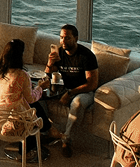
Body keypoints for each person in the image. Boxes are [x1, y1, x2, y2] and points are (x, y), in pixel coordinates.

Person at [42, 25, 100, 157]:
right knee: (39, 96)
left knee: (77, 103)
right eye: (61, 37)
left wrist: (70, 93)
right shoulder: (60, 53)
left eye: (67, 38)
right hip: (64, 88)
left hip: (84, 91)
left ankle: (66, 140)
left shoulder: (86, 56)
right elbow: (48, 76)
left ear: (76, 38)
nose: (63, 41)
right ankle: (49, 131)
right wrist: (50, 63)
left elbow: (92, 83)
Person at [0, 38, 40, 140]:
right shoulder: (21, 75)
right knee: (35, 107)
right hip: (13, 124)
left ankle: (49, 129)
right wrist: (40, 87)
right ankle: (28, 149)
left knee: (25, 104)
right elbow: (31, 98)